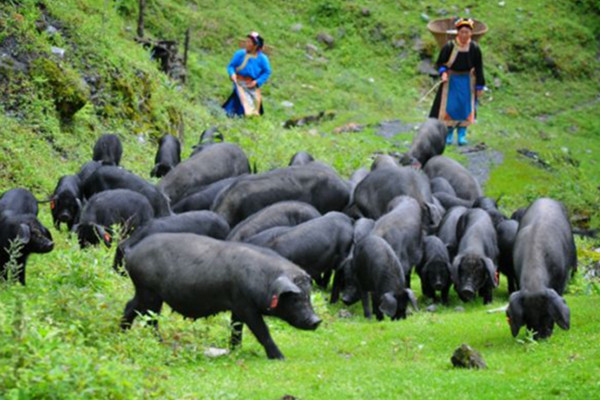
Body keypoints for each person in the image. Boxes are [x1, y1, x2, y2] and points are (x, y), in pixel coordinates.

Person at [429, 18, 485, 146]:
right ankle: (448, 133)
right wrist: (443, 72)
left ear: (471, 33)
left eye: (467, 32)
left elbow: (479, 67)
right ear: (457, 33)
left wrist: (479, 85)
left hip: (467, 81)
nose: (464, 35)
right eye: (462, 32)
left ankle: (462, 134)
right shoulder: (449, 46)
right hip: (452, 80)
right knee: (451, 107)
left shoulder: (474, 48)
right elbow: (440, 63)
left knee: (465, 109)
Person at [222, 31, 272, 117]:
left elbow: (267, 71)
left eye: (249, 42)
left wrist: (257, 82)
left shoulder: (263, 58)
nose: (246, 44)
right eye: (246, 41)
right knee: (243, 101)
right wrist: (232, 74)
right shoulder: (240, 54)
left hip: (252, 83)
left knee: (256, 104)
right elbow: (231, 66)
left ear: (255, 45)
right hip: (239, 82)